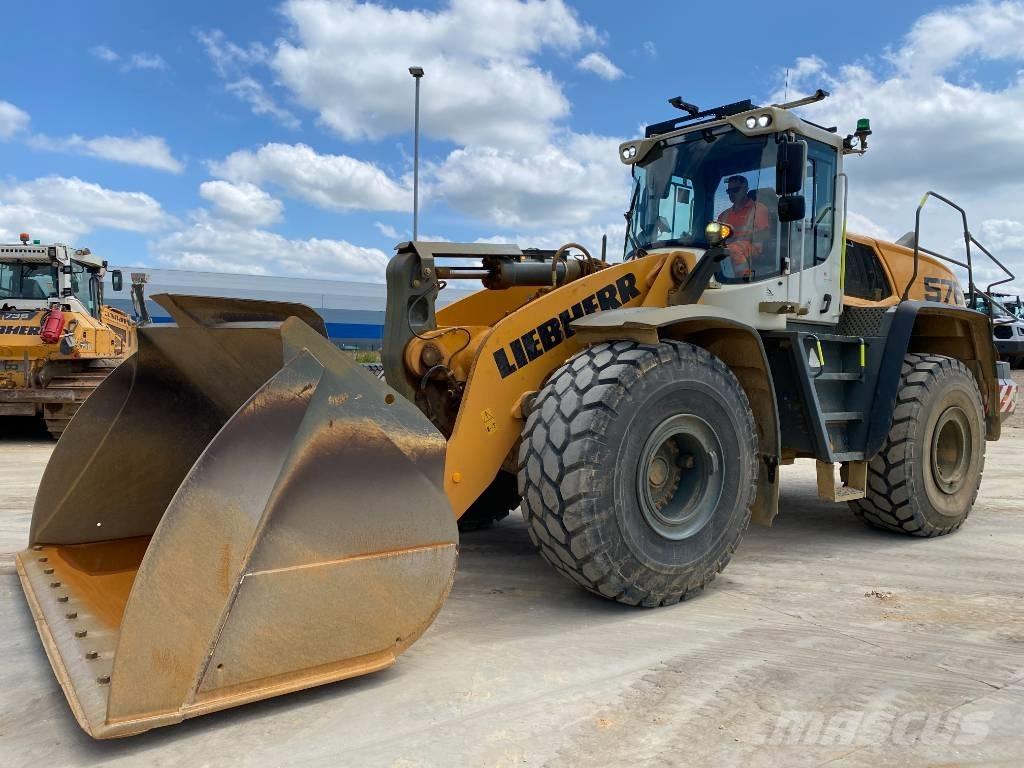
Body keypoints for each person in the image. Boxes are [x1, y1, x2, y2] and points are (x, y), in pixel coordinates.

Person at [717, 175, 770, 277]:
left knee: (734, 249)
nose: (731, 194)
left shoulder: (759, 209)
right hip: (728, 250)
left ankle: (744, 278)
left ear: (745, 189)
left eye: (735, 190)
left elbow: (765, 234)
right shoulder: (723, 215)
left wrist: (747, 237)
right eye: (729, 191)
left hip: (753, 249)